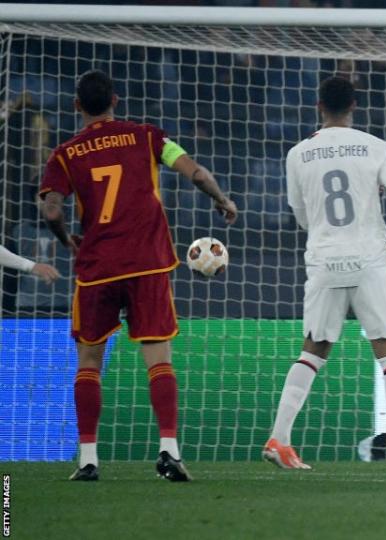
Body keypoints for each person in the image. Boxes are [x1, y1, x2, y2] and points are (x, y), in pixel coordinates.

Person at [40, 70, 238, 482]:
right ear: (116, 99)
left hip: (97, 269)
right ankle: (169, 449)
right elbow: (195, 172)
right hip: (147, 263)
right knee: (158, 358)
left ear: (77, 106)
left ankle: (88, 459)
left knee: (89, 362)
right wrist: (221, 199)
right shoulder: (148, 136)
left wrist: (66, 240)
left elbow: (53, 209)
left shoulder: (65, 154)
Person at [264, 76, 386, 472]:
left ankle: (278, 439)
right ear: (354, 105)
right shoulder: (376, 148)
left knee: (312, 349)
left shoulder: (298, 154)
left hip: (323, 259)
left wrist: (322, 230)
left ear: (319, 106)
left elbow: (298, 214)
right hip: (370, 258)